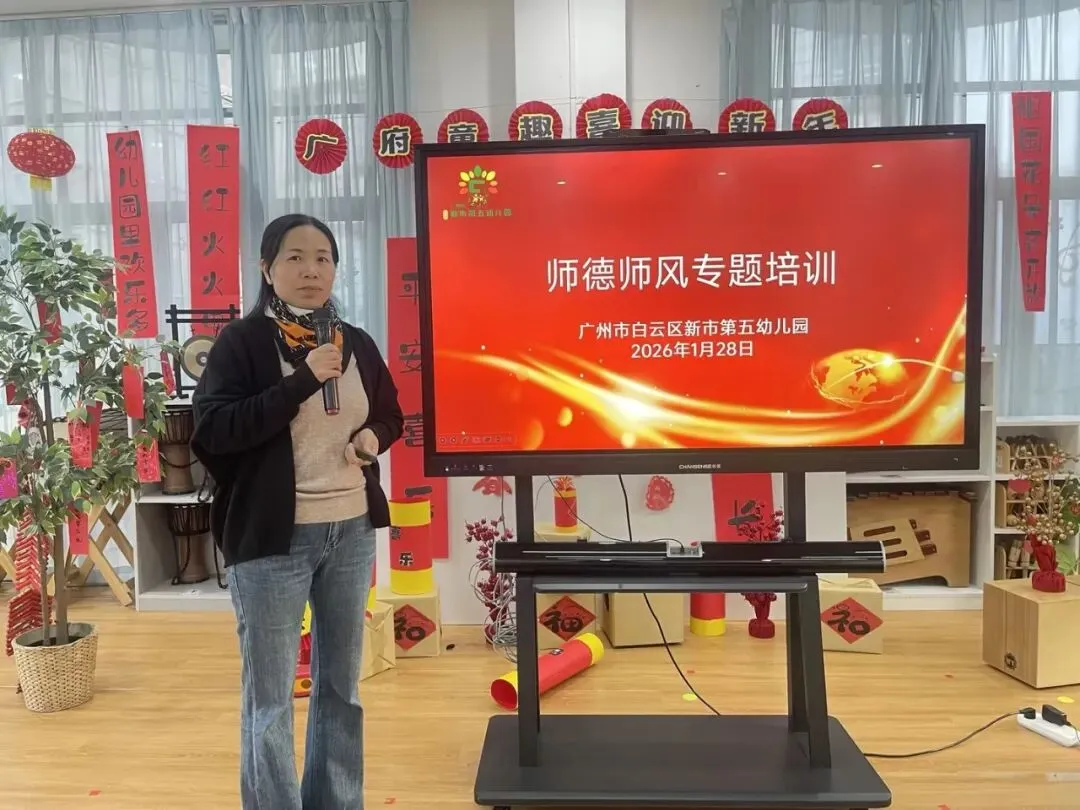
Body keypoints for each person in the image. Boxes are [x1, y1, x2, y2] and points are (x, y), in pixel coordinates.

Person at [191, 213, 403, 809]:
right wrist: (299, 382)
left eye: (323, 258)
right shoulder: (242, 342)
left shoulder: (355, 342)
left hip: (350, 532)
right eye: (295, 257)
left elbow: (390, 413)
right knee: (271, 701)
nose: (312, 269)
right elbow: (214, 430)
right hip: (271, 540)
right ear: (267, 268)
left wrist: (373, 438)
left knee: (341, 689)